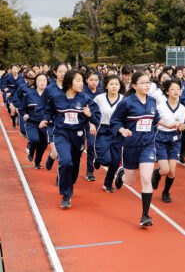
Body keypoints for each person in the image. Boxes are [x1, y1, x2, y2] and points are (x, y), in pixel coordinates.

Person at [111, 72, 176, 227]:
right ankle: (121, 174)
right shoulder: (126, 103)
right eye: (143, 82)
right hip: (130, 145)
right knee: (130, 181)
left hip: (147, 145)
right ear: (134, 86)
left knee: (146, 179)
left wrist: (167, 124)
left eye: (149, 82)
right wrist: (122, 131)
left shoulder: (152, 101)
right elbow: (115, 121)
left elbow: (155, 118)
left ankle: (145, 215)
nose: (147, 85)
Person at [40, 70, 101, 208]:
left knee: (74, 163)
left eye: (81, 80)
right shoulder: (57, 97)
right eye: (78, 81)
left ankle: (70, 182)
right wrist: (45, 119)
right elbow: (48, 111)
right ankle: (66, 194)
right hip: (61, 134)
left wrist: (90, 115)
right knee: (65, 161)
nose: (81, 84)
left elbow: (97, 118)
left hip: (78, 135)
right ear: (69, 82)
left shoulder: (85, 99)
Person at [151, 79, 185, 203]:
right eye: (173, 89)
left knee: (172, 171)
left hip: (175, 139)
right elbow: (154, 122)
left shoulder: (182, 108)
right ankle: (157, 173)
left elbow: (181, 124)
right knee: (165, 170)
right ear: (167, 91)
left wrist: (183, 126)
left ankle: (166, 192)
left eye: (178, 89)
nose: (176, 91)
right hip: (161, 138)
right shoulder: (160, 107)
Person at [93, 75, 124, 193]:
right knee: (105, 160)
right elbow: (92, 112)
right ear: (106, 86)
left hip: (118, 132)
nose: (114, 86)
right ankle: (98, 159)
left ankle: (108, 183)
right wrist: (91, 123)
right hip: (104, 130)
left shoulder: (123, 99)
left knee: (115, 161)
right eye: (111, 84)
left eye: (116, 84)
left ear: (120, 86)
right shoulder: (99, 98)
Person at [19, 73, 48, 169]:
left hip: (44, 123)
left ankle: (37, 161)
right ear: (35, 82)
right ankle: (31, 152)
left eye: (44, 80)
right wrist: (25, 114)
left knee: (43, 144)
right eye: (39, 80)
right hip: (32, 122)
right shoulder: (29, 94)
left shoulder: (50, 95)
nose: (42, 82)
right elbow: (22, 108)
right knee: (35, 139)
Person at [84, 71, 102, 182]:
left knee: (101, 145)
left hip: (101, 122)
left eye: (96, 80)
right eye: (91, 80)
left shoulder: (101, 92)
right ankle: (89, 171)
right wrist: (91, 124)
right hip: (88, 122)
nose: (94, 82)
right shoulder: (83, 93)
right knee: (91, 145)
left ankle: (98, 158)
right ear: (87, 81)